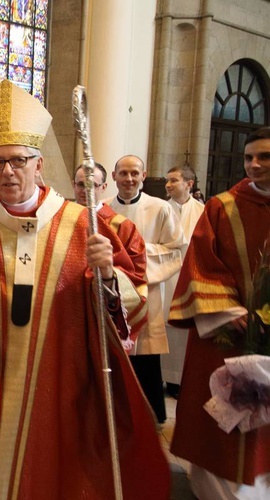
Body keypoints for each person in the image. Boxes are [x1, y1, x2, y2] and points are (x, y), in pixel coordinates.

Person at [0, 80, 169, 499]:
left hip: (61, 382)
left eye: (19, 160)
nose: (9, 171)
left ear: (39, 164)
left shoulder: (82, 224)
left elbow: (129, 311)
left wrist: (107, 277)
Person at [169, 127, 270, 499]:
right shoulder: (222, 206)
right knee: (222, 428)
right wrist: (229, 311)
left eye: (265, 157)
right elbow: (201, 263)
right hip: (229, 335)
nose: (254, 165)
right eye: (248, 158)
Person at [107, 155, 185, 423]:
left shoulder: (161, 208)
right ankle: (117, 413)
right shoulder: (103, 209)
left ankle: (151, 414)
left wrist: (138, 255)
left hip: (146, 291)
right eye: (124, 173)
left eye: (134, 173)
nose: (129, 179)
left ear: (144, 175)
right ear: (115, 176)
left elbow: (176, 249)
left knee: (146, 355)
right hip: (113, 291)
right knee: (116, 353)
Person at [71, 162, 148, 338]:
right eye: (81, 184)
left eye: (93, 185)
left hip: (102, 311)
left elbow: (137, 274)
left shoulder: (122, 226)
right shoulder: (58, 221)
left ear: (104, 187)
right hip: (67, 308)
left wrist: (107, 274)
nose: (85, 190)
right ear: (73, 185)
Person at [162, 165, 205, 397]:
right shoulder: (160, 208)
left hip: (189, 277)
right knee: (162, 328)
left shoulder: (203, 211)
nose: (168, 185)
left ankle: (178, 381)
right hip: (164, 278)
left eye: (174, 180)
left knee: (182, 331)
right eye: (167, 181)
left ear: (189, 183)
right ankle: (160, 378)